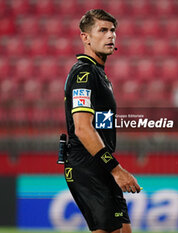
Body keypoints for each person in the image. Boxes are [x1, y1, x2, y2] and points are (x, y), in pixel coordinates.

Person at [63, 9, 141, 233]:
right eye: (103, 30)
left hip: (102, 166)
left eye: (113, 30)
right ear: (85, 37)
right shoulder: (83, 75)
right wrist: (116, 170)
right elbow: (82, 128)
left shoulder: (99, 74)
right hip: (87, 165)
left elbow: (100, 126)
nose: (111, 36)